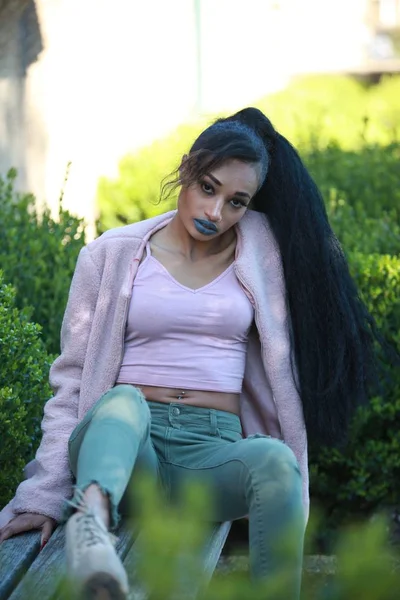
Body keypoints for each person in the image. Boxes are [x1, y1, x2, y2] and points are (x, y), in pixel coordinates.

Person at [0, 107, 383, 599]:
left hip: (210, 456)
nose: (215, 213)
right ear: (186, 169)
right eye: (208, 187)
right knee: (122, 401)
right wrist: (44, 495)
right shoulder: (111, 255)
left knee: (275, 461)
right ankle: (90, 531)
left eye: (236, 202)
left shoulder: (264, 258)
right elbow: (72, 383)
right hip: (124, 448)